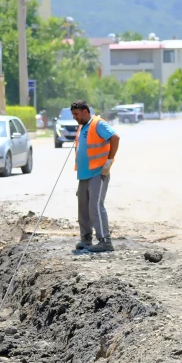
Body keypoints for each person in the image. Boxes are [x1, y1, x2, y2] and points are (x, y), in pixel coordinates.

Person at [70, 100, 120, 253]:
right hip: (84, 175)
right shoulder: (82, 127)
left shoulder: (97, 124)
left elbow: (115, 138)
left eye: (76, 114)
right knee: (83, 207)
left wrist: (109, 161)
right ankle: (86, 239)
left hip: (98, 173)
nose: (75, 118)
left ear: (85, 111)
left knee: (96, 206)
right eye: (73, 115)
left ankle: (105, 240)